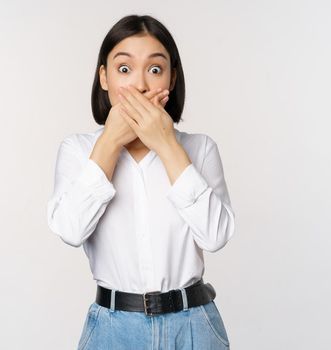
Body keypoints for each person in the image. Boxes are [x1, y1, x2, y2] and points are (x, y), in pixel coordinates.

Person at [46, 14, 235, 349]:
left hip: (193, 325)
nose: (141, 85)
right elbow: (70, 230)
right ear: (103, 77)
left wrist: (165, 143)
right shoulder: (78, 151)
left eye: (155, 69)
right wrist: (110, 142)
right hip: (113, 328)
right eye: (124, 69)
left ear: (172, 79)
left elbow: (216, 236)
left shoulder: (199, 148)